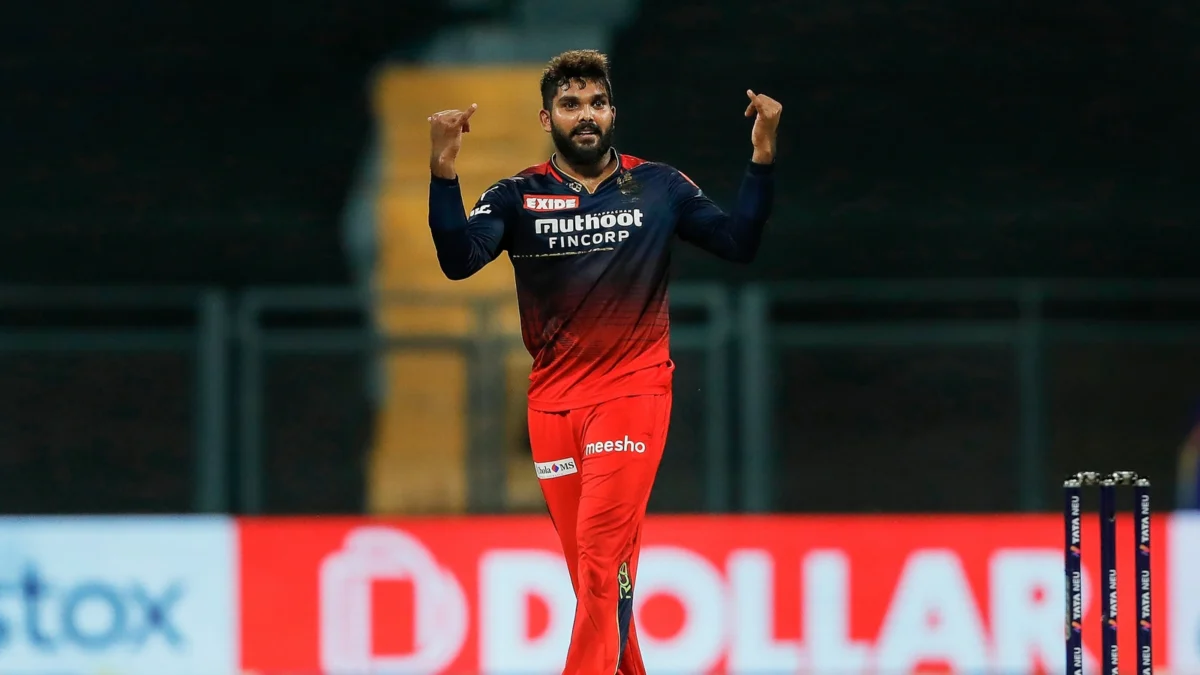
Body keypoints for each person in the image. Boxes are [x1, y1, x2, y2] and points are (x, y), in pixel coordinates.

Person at [426, 49, 781, 675]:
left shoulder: (660, 186)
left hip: (632, 392)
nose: (585, 114)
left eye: (596, 103)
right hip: (551, 407)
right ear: (547, 119)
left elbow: (738, 242)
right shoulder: (516, 196)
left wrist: (762, 155)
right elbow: (459, 261)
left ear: (613, 112)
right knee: (602, 577)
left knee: (598, 558)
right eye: (570, 105)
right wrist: (443, 173)